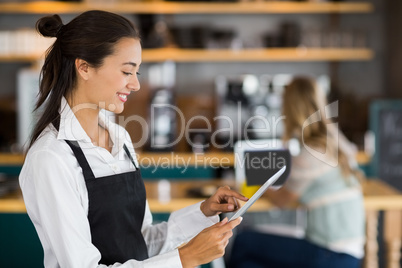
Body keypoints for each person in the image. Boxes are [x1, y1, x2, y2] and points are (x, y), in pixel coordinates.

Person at [19, 10, 247, 268]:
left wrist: (204, 212)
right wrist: (186, 258)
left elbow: (140, 242)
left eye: (136, 73)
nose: (136, 85)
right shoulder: (51, 157)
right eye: (127, 72)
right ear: (84, 67)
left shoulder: (120, 138)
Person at [228, 76, 366, 268]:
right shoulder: (335, 140)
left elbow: (281, 200)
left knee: (243, 242)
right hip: (349, 253)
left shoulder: (311, 154)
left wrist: (259, 185)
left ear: (290, 110)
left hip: (330, 254)